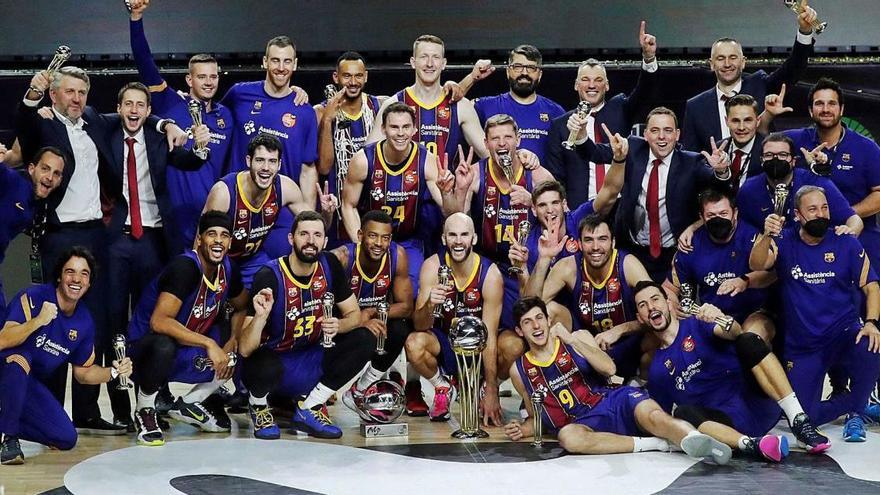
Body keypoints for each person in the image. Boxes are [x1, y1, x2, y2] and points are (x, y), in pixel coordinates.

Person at [15, 67, 186, 436]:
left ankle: (88, 412)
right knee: (52, 323)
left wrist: (165, 125)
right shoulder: (45, 123)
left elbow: (134, 114)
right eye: (70, 92)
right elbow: (24, 128)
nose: (77, 99)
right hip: (58, 235)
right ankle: (48, 412)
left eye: (82, 92)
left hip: (97, 236)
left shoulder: (92, 119)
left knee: (93, 326)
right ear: (54, 96)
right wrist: (32, 98)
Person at [100, 82, 212, 427]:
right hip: (117, 239)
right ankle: (120, 408)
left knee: (152, 321)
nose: (134, 111)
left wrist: (201, 144)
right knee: (115, 323)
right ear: (118, 108)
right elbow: (84, 115)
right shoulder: (105, 131)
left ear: (149, 111)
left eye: (141, 106)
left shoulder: (157, 136)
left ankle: (151, 398)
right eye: (128, 104)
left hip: (154, 239)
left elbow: (190, 161)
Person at [504, 296, 731, 464]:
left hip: (613, 400)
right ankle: (658, 444)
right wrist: (523, 429)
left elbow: (609, 368)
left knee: (654, 416)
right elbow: (537, 414)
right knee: (568, 438)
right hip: (582, 423)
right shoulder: (519, 370)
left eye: (539, 318)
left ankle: (696, 439)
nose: (536, 326)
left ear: (547, 319)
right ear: (520, 330)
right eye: (527, 322)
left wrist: (572, 341)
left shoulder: (577, 338)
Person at [636, 281, 830, 460]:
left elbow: (735, 332)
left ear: (669, 303)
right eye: (643, 305)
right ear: (640, 318)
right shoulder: (658, 370)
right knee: (682, 413)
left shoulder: (698, 321)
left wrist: (720, 318)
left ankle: (799, 421)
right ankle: (752, 446)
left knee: (748, 340)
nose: (651, 307)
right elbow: (660, 420)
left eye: (655, 299)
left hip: (757, 402)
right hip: (726, 425)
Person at [751, 185, 880, 442]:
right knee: (803, 417)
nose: (821, 214)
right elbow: (756, 264)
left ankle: (857, 406)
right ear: (798, 215)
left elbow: (872, 286)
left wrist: (871, 322)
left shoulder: (845, 242)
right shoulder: (784, 241)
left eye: (825, 208)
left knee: (870, 341)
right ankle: (856, 402)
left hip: (843, 334)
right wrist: (766, 235)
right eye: (813, 209)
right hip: (804, 345)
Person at [238, 210, 373, 439]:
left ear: (325, 241)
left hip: (312, 358)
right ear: (291, 239)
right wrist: (260, 317)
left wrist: (339, 326)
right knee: (259, 361)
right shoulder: (269, 275)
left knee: (365, 338)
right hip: (275, 363)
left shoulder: (329, 264)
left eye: (317, 235)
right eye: (304, 234)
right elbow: (244, 348)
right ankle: (259, 406)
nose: (311, 241)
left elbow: (354, 314)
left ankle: (310, 406)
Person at [0, 247, 133, 465]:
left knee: (65, 438)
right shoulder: (34, 298)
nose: (77, 279)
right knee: (20, 358)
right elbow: (2, 340)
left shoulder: (85, 322)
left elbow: (84, 373)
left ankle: (6, 420)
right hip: (6, 369)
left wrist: (115, 371)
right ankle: (9, 440)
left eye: (84, 274)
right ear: (60, 276)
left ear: (89, 283)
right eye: (70, 271)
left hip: (28, 384)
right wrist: (37, 322)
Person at [126, 211, 248, 446]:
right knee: (164, 344)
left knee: (239, 346)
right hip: (144, 350)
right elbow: (159, 322)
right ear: (200, 239)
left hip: (185, 345)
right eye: (211, 234)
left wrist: (232, 339)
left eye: (224, 236)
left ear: (230, 242)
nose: (218, 241)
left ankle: (191, 403)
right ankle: (145, 409)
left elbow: (242, 306)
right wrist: (209, 343)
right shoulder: (185, 267)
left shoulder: (228, 270)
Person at [128, 0, 234, 254]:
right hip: (173, 219)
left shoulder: (226, 117)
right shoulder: (170, 103)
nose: (208, 82)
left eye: (213, 76)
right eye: (201, 76)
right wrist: (136, 19)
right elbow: (145, 63)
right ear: (189, 79)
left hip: (212, 220)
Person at [582, 107, 732, 282]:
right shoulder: (633, 150)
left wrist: (721, 171)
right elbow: (593, 153)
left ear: (677, 135)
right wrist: (579, 135)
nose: (661, 137)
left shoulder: (691, 162)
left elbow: (721, 189)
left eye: (668, 131)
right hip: (632, 251)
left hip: (675, 254)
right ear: (645, 134)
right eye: (655, 130)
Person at [447, 114, 554, 332]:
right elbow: (456, 222)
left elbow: (562, 218)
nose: (502, 143)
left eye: (507, 137)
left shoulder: (538, 175)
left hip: (527, 264)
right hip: (490, 263)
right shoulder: (475, 173)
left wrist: (533, 201)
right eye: (495, 139)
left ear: (518, 139)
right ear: (486, 143)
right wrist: (460, 189)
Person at [220, 35, 317, 258]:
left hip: (281, 212)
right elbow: (214, 118)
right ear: (264, 62)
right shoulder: (239, 94)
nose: (281, 68)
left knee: (278, 279)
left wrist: (308, 216)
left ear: (295, 64)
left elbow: (308, 168)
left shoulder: (304, 110)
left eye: (286, 61)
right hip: (238, 205)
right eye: (275, 61)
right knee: (227, 278)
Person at [341, 102, 455, 292]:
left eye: (406, 127)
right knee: (363, 289)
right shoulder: (363, 160)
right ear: (383, 129)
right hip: (372, 239)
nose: (400, 133)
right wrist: (361, 245)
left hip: (408, 239)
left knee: (413, 291)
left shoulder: (426, 159)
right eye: (394, 127)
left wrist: (447, 193)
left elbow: (448, 211)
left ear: (414, 129)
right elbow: (348, 206)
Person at [545, 21, 659, 207]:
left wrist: (648, 58)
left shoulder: (620, 108)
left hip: (620, 206)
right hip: (579, 208)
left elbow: (645, 91)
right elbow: (556, 174)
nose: (592, 85)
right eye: (585, 80)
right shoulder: (561, 125)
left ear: (606, 86)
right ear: (576, 85)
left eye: (598, 80)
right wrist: (562, 206)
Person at [680, 2, 819, 153]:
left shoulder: (760, 84)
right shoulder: (696, 106)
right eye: (720, 58)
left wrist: (805, 32)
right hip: (713, 175)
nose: (727, 64)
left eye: (733, 57)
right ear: (711, 64)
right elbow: (690, 157)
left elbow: (794, 68)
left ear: (743, 62)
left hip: (760, 173)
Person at [405, 213, 504, 425]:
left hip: (478, 345)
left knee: (511, 346)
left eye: (464, 235)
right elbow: (419, 325)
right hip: (445, 342)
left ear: (474, 239)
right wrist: (430, 305)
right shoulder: (432, 266)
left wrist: (492, 389)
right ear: (443, 239)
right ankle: (443, 387)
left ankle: (482, 388)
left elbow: (490, 336)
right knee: (414, 344)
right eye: (452, 235)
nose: (458, 241)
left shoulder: (490, 274)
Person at [526, 215, 650, 381]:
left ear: (613, 243)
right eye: (589, 240)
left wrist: (620, 330)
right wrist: (544, 259)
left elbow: (658, 309)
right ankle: (548, 381)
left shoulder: (628, 264)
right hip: (585, 344)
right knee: (548, 311)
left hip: (628, 344)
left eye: (602, 239)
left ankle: (641, 382)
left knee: (658, 330)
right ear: (579, 244)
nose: (596, 247)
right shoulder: (568, 266)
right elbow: (529, 308)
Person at [203, 133, 334, 288]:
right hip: (219, 257)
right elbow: (201, 240)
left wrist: (326, 212)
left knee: (274, 285)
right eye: (260, 160)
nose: (266, 168)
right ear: (248, 161)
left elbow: (315, 227)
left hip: (252, 259)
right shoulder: (224, 192)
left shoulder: (286, 188)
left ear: (279, 165)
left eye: (272, 161)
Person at [776, 78, 880, 269]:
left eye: (832, 103)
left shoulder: (866, 148)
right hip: (805, 243)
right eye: (819, 103)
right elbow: (762, 144)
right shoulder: (793, 140)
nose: (825, 109)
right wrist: (767, 115)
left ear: (841, 109)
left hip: (859, 239)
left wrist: (845, 214)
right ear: (810, 110)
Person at [329, 210, 413, 409]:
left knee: (400, 329)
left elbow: (406, 306)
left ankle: (361, 389)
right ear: (360, 235)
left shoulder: (397, 255)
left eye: (385, 238)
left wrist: (369, 312)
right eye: (372, 236)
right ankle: (319, 389)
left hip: (373, 321)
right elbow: (322, 308)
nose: (378, 243)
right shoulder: (341, 258)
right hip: (341, 324)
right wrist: (359, 319)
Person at [668, 189, 777, 342]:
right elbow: (669, 288)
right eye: (711, 215)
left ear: (735, 213)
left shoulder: (752, 237)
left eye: (723, 213)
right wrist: (672, 306)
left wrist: (744, 281)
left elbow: (771, 274)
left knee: (751, 340)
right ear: (702, 218)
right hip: (710, 316)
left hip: (754, 312)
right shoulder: (690, 245)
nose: (718, 219)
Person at [366, 35, 489, 166]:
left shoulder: (461, 106)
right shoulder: (393, 104)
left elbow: (488, 154)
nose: (429, 63)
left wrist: (472, 176)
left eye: (435, 57)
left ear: (443, 63)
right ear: (413, 62)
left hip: (447, 185)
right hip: (404, 186)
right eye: (424, 57)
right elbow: (367, 159)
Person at [315, 52, 384, 247]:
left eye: (358, 76)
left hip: (373, 200)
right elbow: (324, 168)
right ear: (336, 77)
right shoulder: (320, 112)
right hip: (337, 207)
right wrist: (328, 120)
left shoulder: (379, 106)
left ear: (366, 76)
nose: (353, 82)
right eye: (347, 76)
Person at [736, 133, 862, 235]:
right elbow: (741, 229)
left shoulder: (816, 183)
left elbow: (854, 219)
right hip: (768, 253)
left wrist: (849, 234)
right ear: (761, 160)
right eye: (769, 155)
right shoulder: (749, 189)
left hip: (810, 251)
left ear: (794, 161)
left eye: (782, 155)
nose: (776, 159)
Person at [455, 45, 565, 162]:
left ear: (540, 74)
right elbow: (451, 105)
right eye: (518, 67)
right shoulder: (485, 106)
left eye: (531, 67)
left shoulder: (556, 112)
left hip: (542, 180)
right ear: (508, 71)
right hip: (496, 179)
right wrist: (472, 78)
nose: (524, 72)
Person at [0, 146, 65, 309]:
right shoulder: (12, 180)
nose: (50, 177)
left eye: (56, 173)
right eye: (45, 169)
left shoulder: (38, 205)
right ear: (31, 169)